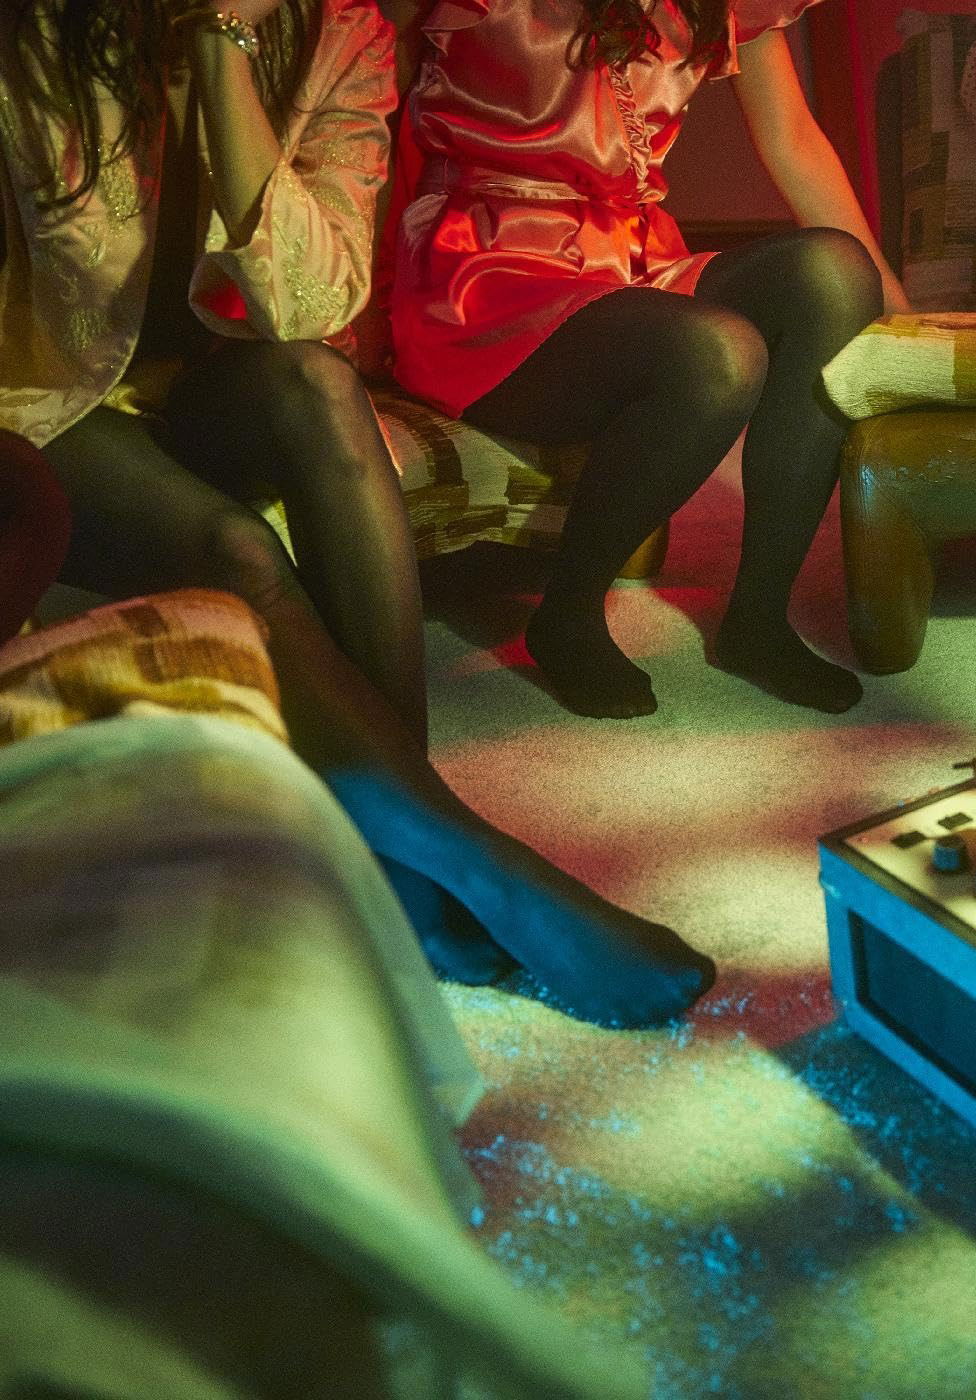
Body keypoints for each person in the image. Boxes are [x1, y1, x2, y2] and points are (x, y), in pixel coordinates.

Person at [0, 0, 714, 1026]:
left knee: (317, 384)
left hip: (197, 389)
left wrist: (222, 48)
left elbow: (312, 305)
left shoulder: (338, 32)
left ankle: (408, 842)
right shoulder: (41, 28)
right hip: (48, 396)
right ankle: (467, 866)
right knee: (236, 548)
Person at [387, 0, 910, 719]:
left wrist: (902, 307)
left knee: (835, 273)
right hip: (487, 276)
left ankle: (759, 619)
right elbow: (368, 118)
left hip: (633, 261)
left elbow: (792, 139)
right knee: (718, 351)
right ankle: (568, 615)